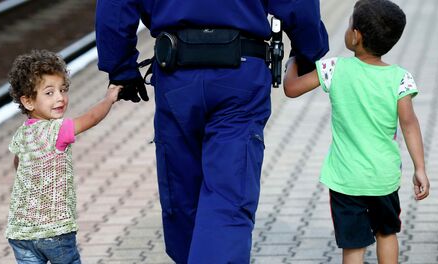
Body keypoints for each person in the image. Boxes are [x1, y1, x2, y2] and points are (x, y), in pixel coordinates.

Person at [95, 1, 328, 263]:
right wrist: (310, 51)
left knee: (183, 192)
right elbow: (299, 5)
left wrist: (121, 68)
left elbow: (115, 5)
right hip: (240, 75)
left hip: (176, 72)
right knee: (228, 194)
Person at [283, 0, 430, 263]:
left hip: (345, 179)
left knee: (353, 245)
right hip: (383, 177)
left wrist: (292, 60)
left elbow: (291, 89)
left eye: (350, 23)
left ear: (356, 35)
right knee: (387, 233)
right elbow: (410, 125)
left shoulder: (335, 68)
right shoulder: (400, 78)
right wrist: (420, 168)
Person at [5, 49, 122, 264]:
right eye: (49, 93)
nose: (60, 98)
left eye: (62, 90)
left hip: (20, 233)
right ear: (28, 101)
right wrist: (109, 99)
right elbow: (92, 118)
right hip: (55, 230)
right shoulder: (57, 130)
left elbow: (18, 163)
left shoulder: (22, 134)